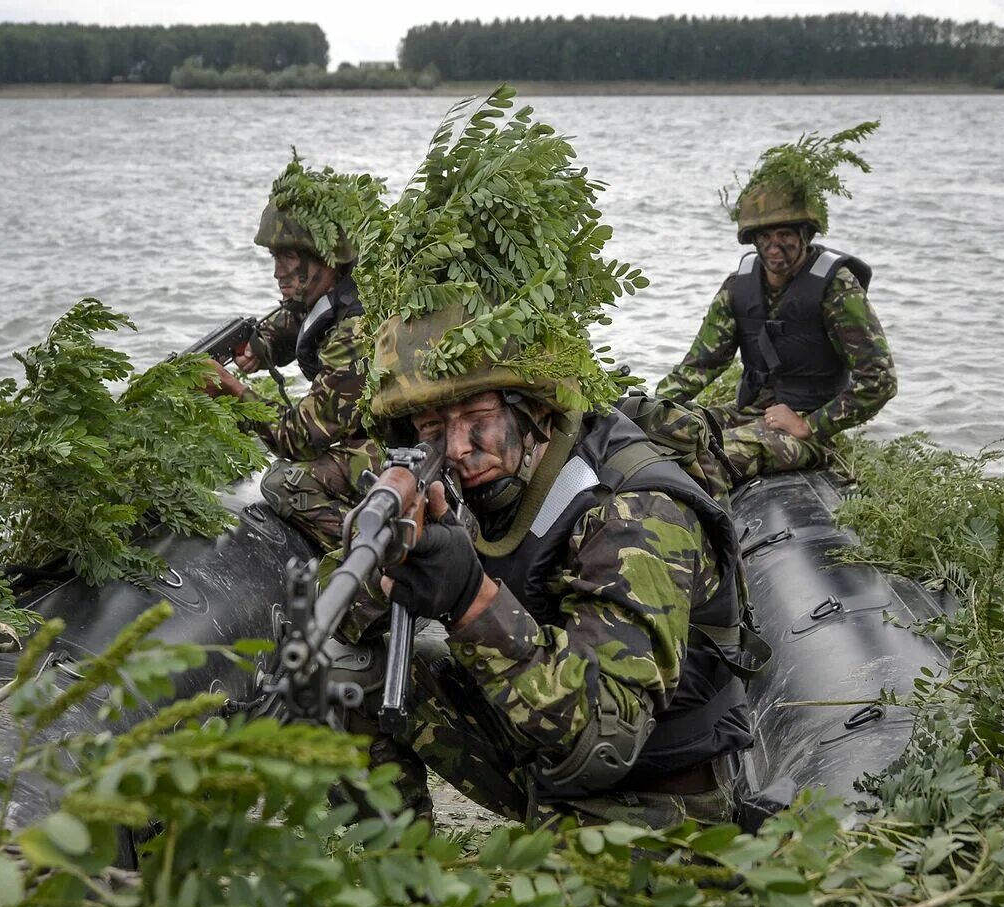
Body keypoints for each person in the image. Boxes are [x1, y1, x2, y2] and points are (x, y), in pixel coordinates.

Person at [355, 303, 759, 830]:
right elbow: (348, 612)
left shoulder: (634, 511)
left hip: (649, 794)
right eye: (432, 427)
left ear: (537, 410)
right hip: (542, 754)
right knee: (346, 672)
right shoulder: (482, 481)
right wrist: (385, 561)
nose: (457, 449)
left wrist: (469, 600)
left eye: (478, 419)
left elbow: (607, 740)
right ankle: (402, 891)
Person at [656, 135, 896, 483]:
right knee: (664, 432)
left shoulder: (837, 288)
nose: (774, 246)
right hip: (749, 414)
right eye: (764, 237)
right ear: (752, 239)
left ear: (805, 234)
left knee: (706, 462)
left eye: (784, 234)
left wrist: (810, 425)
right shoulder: (739, 287)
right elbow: (701, 364)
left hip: (808, 433)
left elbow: (880, 379)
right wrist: (650, 407)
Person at [200, 161, 380, 550]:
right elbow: (295, 320)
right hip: (376, 436)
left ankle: (377, 556)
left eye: (288, 258)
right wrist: (259, 345)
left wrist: (233, 391)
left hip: (397, 451)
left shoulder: (356, 330)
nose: (278, 273)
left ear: (324, 257)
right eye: (275, 259)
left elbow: (298, 439)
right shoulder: (344, 289)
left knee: (285, 484)